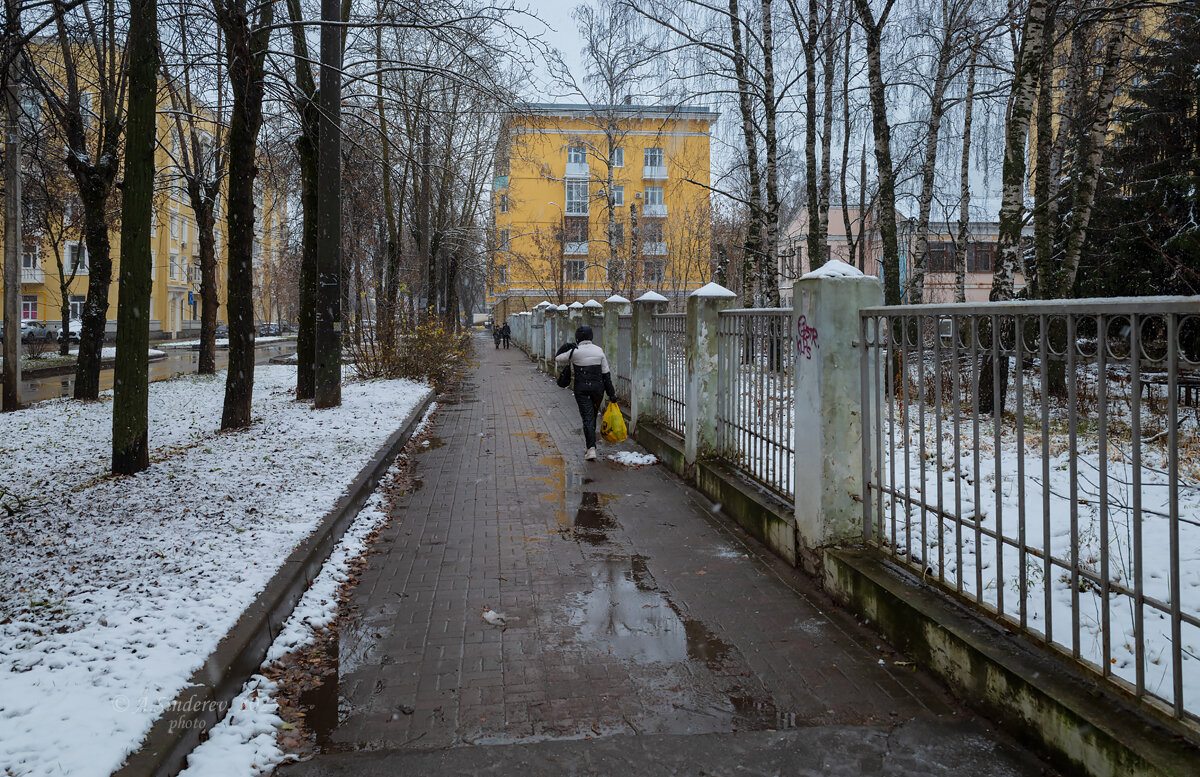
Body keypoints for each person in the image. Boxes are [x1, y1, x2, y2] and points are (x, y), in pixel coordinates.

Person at [556, 325, 617, 461]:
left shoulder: (574, 352)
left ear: (578, 337)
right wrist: (611, 394)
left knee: (586, 417)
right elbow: (606, 374)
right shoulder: (599, 351)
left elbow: (557, 358)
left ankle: (591, 449)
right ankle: (590, 445)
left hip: (581, 390)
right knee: (593, 415)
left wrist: (566, 346)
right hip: (598, 389)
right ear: (591, 336)